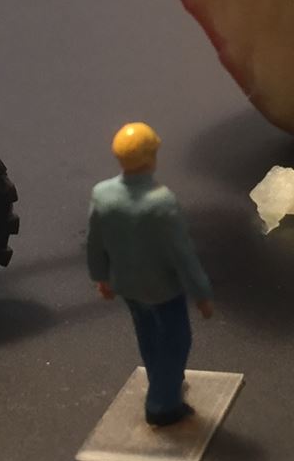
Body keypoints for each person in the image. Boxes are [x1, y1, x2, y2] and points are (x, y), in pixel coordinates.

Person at [86, 122, 214, 428]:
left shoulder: (103, 194)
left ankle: (164, 380)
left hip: (127, 286)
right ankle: (162, 405)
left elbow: (94, 243)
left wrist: (102, 278)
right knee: (176, 342)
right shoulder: (161, 202)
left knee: (148, 337)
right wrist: (201, 293)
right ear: (150, 158)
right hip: (162, 291)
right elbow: (182, 254)